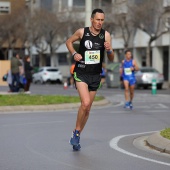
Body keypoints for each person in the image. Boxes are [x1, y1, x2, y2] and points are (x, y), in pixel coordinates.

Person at [66, 8, 114, 150]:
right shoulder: (82, 32)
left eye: (102, 20)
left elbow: (111, 58)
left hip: (95, 75)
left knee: (87, 109)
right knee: (85, 103)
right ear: (92, 19)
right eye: (97, 19)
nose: (100, 22)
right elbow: (68, 42)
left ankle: (77, 134)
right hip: (81, 73)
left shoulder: (106, 35)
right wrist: (74, 53)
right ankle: (75, 132)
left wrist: (110, 49)